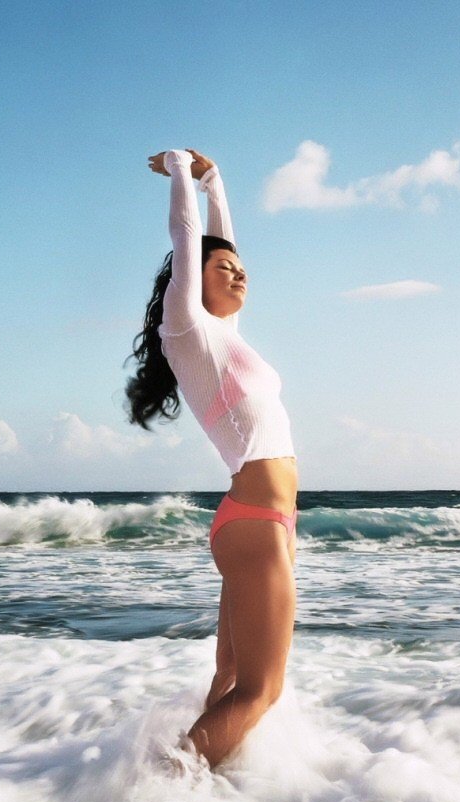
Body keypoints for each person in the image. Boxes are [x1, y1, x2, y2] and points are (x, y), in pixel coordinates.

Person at [125, 148, 298, 769]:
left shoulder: (230, 337)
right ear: (193, 282)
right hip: (253, 519)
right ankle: (160, 791)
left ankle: (194, 798)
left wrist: (215, 178)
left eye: (242, 266)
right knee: (262, 690)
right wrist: (179, 172)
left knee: (230, 677)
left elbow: (218, 237)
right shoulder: (189, 330)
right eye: (225, 268)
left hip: (263, 521)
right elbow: (189, 235)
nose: (240, 272)